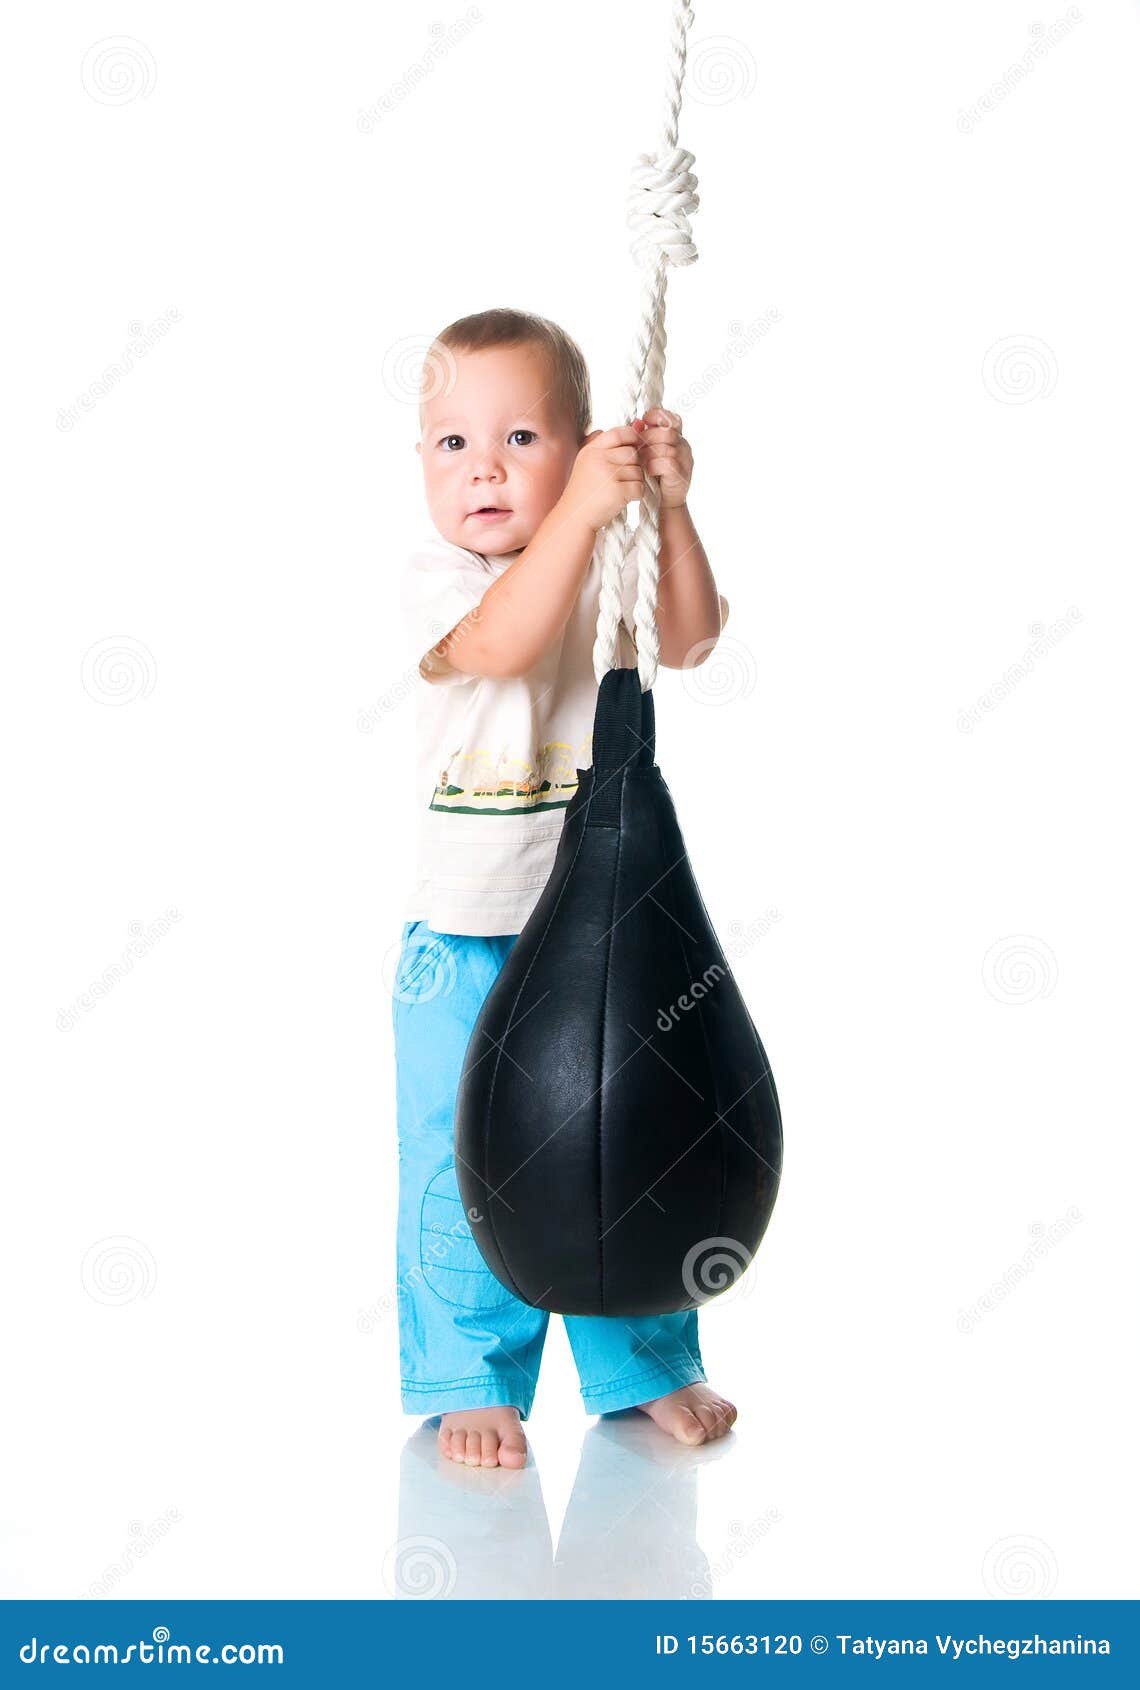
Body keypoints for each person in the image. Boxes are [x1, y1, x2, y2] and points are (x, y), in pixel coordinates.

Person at [393, 306, 737, 1469]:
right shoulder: (436, 574)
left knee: (625, 1137)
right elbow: (498, 642)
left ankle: (643, 1363)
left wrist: (665, 506)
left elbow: (688, 639)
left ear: (585, 444)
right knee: (459, 1160)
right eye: (452, 444)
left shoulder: (601, 556)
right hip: (470, 941)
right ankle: (468, 1376)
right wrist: (585, 513)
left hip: (602, 939)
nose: (484, 466)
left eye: (525, 437)